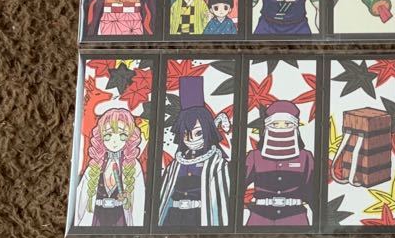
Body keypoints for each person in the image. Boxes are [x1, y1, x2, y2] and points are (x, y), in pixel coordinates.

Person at [157, 77, 231, 229]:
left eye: (198, 133)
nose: (191, 139)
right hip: (172, 218)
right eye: (186, 134)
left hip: (201, 218)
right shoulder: (175, 165)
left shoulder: (218, 164)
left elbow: (222, 201)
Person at [243, 101, 314, 227]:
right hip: (260, 219)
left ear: (295, 127)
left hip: (295, 219)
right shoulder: (254, 156)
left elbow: (313, 192)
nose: (281, 128)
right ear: (267, 127)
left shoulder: (305, 157)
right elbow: (237, 187)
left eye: (287, 124)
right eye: (275, 124)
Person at [74, 108, 145, 229]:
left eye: (122, 135)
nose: (114, 141)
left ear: (130, 137)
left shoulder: (133, 165)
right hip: (95, 219)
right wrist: (77, 226)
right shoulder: (95, 164)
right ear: (100, 136)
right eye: (108, 135)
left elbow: (139, 201)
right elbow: (81, 199)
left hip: (121, 220)